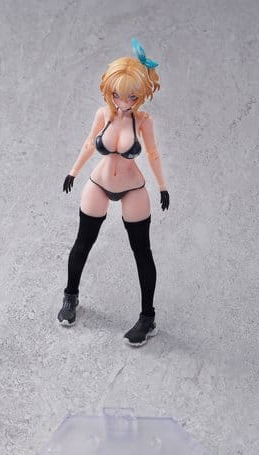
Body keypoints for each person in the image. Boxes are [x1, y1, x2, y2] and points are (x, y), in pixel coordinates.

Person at [59, 38, 169, 346]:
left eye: (132, 96)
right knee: (83, 242)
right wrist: (73, 171)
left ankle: (147, 318)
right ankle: (70, 296)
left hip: (133, 188)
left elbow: (153, 154)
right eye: (117, 94)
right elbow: (88, 143)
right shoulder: (103, 114)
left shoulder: (143, 121)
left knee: (142, 251)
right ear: (109, 90)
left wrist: (163, 186)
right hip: (99, 183)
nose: (123, 101)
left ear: (141, 94)